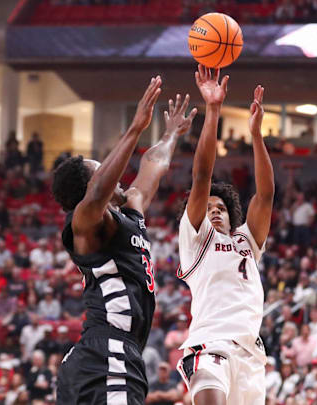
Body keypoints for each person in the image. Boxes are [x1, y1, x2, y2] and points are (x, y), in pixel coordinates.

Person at [53, 76, 196, 404]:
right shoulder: (85, 221)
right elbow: (100, 188)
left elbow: (152, 167)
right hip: (107, 354)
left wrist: (171, 133)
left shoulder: (130, 210)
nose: (113, 173)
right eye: (101, 169)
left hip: (111, 355)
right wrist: (134, 129)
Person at [175, 66, 274, 405]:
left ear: (233, 216)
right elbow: (202, 175)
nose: (214, 210)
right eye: (209, 206)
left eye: (221, 207)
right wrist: (214, 110)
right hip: (210, 344)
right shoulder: (196, 239)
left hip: (250, 355)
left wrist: (257, 136)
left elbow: (265, 195)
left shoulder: (247, 242)